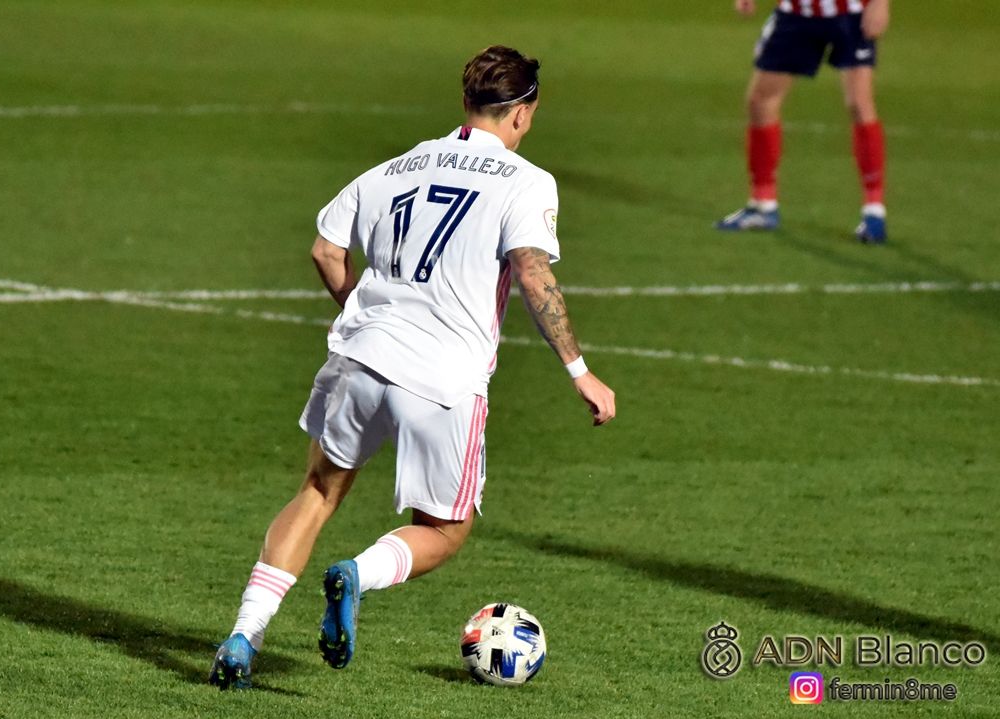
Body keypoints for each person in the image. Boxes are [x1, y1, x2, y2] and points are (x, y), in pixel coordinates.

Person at [208, 45, 617, 691]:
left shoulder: (395, 166)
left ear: (466, 103)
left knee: (317, 492)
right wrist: (579, 370)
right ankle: (358, 574)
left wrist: (368, 313)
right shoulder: (527, 180)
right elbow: (534, 272)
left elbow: (325, 250)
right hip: (443, 378)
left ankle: (243, 634)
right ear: (522, 113)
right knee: (446, 530)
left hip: (361, 356)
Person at [715, 0, 891, 243]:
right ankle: (763, 205)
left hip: (850, 13)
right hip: (796, 13)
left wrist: (880, 3)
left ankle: (874, 212)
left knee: (859, 103)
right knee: (760, 101)